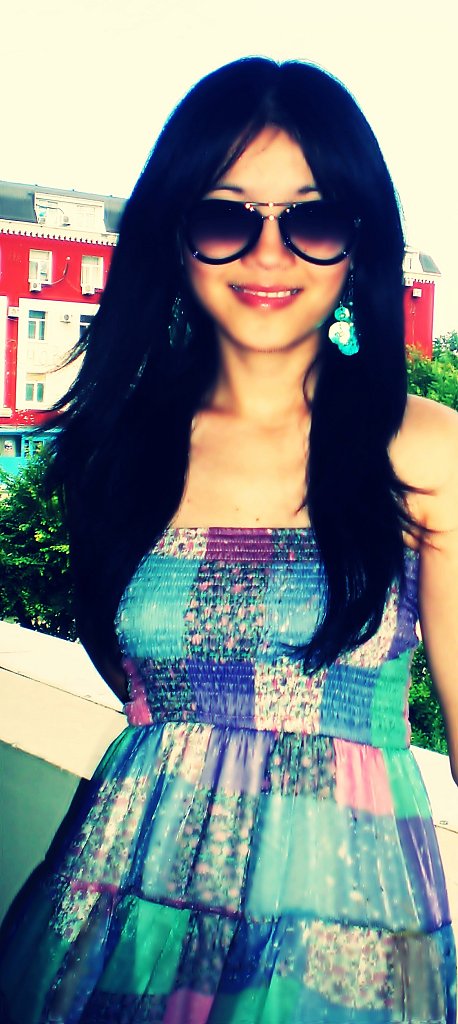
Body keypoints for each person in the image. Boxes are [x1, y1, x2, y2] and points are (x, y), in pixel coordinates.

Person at [0, 56, 456, 1024]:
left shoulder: (425, 450)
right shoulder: (113, 450)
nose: (268, 254)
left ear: (357, 244)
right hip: (129, 905)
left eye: (311, 220)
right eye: (225, 218)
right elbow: (136, 685)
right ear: (176, 238)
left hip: (344, 926)